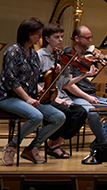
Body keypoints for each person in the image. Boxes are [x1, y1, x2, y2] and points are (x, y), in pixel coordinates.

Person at [0, 18, 66, 165]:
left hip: (28, 97)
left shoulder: (33, 54)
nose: (40, 37)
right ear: (28, 34)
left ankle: (33, 147)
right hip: (10, 98)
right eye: (37, 34)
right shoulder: (13, 52)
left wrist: (50, 71)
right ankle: (12, 146)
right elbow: (11, 80)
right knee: (36, 116)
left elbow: (36, 76)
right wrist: (27, 98)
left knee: (59, 116)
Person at [36, 22, 92, 159]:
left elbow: (65, 84)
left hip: (60, 95)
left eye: (61, 37)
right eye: (57, 37)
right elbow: (34, 83)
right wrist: (55, 98)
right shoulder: (39, 56)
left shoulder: (61, 57)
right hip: (44, 95)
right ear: (47, 39)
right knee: (65, 111)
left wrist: (84, 75)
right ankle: (52, 146)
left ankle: (55, 144)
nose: (61, 40)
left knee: (80, 113)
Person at [60, 24, 107, 144]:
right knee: (92, 113)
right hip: (76, 97)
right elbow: (68, 85)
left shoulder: (90, 58)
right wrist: (87, 97)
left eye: (91, 37)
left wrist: (104, 71)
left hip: (92, 95)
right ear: (77, 38)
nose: (90, 41)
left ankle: (101, 139)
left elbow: (92, 85)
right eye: (87, 38)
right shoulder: (68, 57)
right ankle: (103, 143)